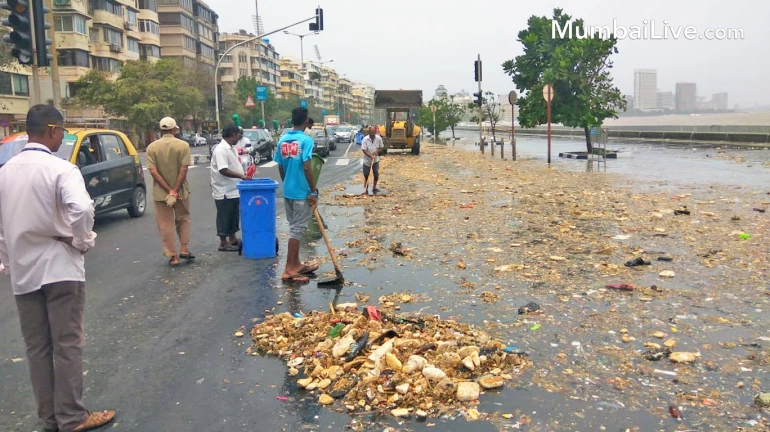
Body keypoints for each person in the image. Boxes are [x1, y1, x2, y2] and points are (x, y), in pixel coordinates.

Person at [0, 104, 116, 432]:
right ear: (52, 130)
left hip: (24, 272)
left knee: (37, 348)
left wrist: (9, 260)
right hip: (59, 267)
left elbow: (1, 228)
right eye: (62, 131)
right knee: (66, 344)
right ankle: (72, 416)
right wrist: (81, 241)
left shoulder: (4, 172)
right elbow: (81, 209)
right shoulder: (61, 169)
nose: (62, 137)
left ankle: (49, 417)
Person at [274, 107, 320, 283]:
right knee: (297, 229)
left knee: (294, 226)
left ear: (292, 120)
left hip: (288, 191)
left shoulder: (282, 140)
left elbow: (279, 165)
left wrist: (287, 182)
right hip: (301, 192)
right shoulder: (306, 140)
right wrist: (313, 191)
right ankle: (289, 269)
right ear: (306, 121)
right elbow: (307, 167)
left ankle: (296, 264)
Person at [146, 117, 193, 267]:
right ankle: (184, 249)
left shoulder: (152, 148)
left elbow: (153, 171)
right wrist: (176, 190)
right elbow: (184, 169)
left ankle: (173, 256)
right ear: (174, 130)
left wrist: (168, 190)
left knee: (165, 223)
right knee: (183, 218)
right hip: (181, 191)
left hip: (161, 194)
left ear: (160, 130)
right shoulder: (183, 146)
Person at [211, 125, 253, 251]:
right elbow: (223, 169)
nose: (239, 138)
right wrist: (241, 176)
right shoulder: (221, 150)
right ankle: (223, 243)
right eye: (238, 135)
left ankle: (233, 239)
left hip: (233, 188)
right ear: (233, 134)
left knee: (233, 215)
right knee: (225, 216)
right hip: (224, 189)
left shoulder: (231, 148)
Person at [361, 125, 384, 193]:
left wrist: (376, 152)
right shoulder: (365, 139)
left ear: (376, 132)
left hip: (375, 160)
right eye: (371, 132)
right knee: (366, 174)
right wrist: (370, 155)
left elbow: (381, 147)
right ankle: (366, 186)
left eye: (374, 132)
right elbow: (364, 150)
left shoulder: (379, 138)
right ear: (369, 132)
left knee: (376, 174)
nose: (372, 134)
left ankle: (374, 187)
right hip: (367, 160)